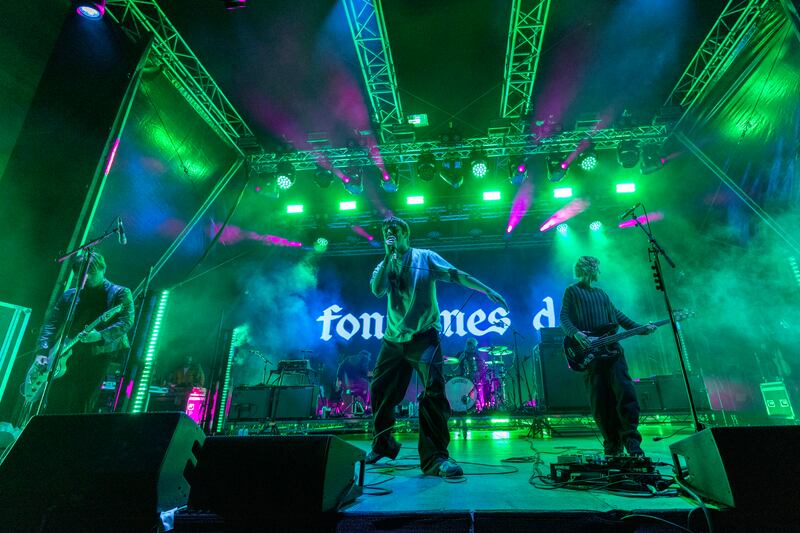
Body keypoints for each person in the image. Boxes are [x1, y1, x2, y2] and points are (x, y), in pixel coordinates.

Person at [368, 216, 508, 477]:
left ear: (405, 235)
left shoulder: (425, 257)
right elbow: (377, 290)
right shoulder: (384, 264)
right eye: (387, 232)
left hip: (423, 337)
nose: (391, 234)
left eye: (395, 231)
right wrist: (388, 257)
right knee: (379, 389)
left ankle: (436, 459)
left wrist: (486, 290)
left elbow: (457, 275)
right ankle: (383, 443)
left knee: (433, 391)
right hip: (393, 340)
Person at [559, 256, 655, 457]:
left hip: (613, 352)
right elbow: (564, 317)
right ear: (588, 270)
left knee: (626, 394)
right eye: (596, 269)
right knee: (601, 402)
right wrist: (576, 333)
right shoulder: (572, 291)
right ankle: (612, 445)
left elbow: (618, 316)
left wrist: (641, 328)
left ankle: (632, 443)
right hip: (591, 354)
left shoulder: (602, 294)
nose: (598, 272)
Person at [35, 251, 134, 414]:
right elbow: (51, 324)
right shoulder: (70, 295)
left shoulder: (120, 293)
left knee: (83, 402)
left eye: (91, 273)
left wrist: (100, 335)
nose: (86, 277)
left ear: (104, 269)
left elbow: (125, 322)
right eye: (81, 274)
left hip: (98, 355)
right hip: (66, 353)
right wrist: (43, 350)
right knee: (55, 400)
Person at [336, 350, 372, 414]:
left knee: (363, 388)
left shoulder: (349, 358)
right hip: (356, 383)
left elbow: (340, 368)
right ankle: (367, 407)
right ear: (366, 355)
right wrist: (373, 373)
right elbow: (365, 371)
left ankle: (360, 405)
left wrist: (339, 380)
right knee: (368, 386)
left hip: (347, 386)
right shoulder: (364, 358)